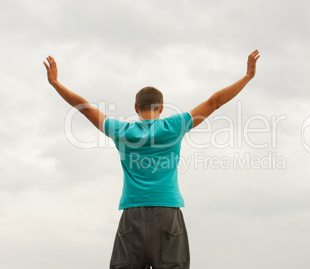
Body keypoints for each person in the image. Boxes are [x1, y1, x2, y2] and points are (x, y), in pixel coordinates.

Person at [44, 49, 260, 269]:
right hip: (167, 213)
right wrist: (247, 77)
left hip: (133, 214)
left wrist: (56, 83)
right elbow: (214, 102)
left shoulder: (122, 131)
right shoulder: (174, 126)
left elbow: (85, 108)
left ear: (136, 108)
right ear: (162, 108)